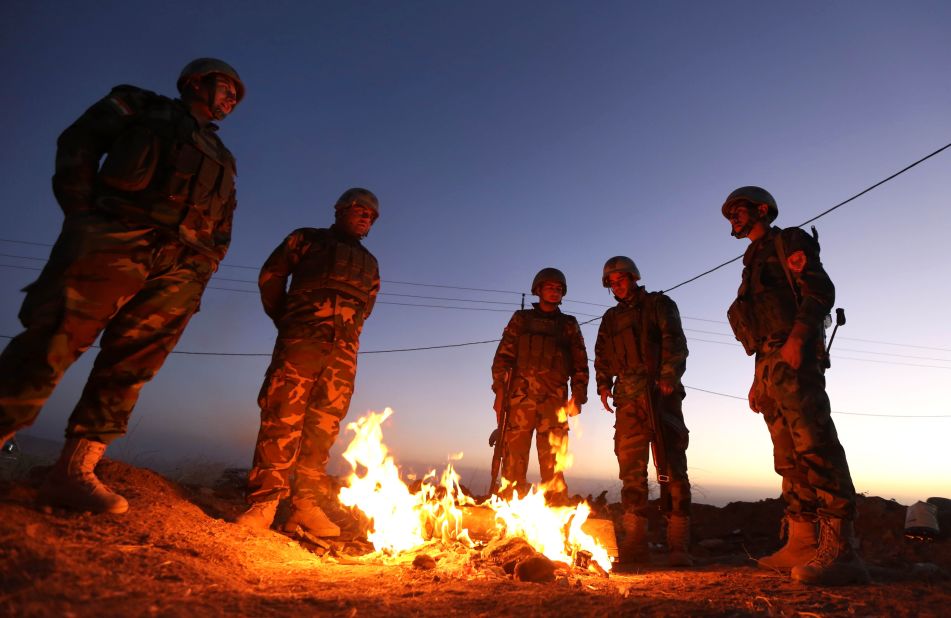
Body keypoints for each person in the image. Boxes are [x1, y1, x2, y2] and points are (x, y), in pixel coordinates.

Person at [0, 58, 243, 514]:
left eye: (235, 96)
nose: (232, 100)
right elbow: (78, 141)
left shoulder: (224, 157)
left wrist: (207, 263)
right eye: (226, 88)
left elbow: (225, 220)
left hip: (182, 268)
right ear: (195, 82)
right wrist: (84, 215)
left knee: (131, 367)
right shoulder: (140, 105)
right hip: (119, 237)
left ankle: (74, 472)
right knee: (54, 338)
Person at [723, 186, 868, 585]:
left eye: (739, 210)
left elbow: (820, 290)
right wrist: (757, 377)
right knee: (787, 454)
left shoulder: (789, 240)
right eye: (730, 214)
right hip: (769, 361)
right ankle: (803, 540)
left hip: (794, 353)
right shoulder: (751, 260)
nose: (733, 218)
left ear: (763, 209)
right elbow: (756, 324)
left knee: (814, 443)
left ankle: (841, 551)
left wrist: (799, 339)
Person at [237, 188, 380, 538]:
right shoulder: (306, 239)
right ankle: (264, 503)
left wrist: (345, 340)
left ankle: (304, 507)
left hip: (342, 356)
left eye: (370, 215)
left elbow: (367, 308)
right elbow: (270, 277)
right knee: (282, 416)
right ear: (340, 210)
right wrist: (288, 321)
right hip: (301, 344)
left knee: (323, 430)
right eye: (358, 209)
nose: (364, 216)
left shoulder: (370, 264)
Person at [594, 256, 692, 566]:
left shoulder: (659, 304)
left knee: (672, 466)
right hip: (628, 400)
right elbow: (602, 356)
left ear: (633, 277)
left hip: (660, 394)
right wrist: (603, 385)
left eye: (622, 277)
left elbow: (675, 342)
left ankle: (678, 545)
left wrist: (667, 376)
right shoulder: (610, 318)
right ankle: (636, 544)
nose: (617, 283)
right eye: (612, 280)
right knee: (631, 473)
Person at [490, 268, 588, 505]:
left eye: (558, 289)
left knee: (553, 464)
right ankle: (511, 513)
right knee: (513, 462)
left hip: (554, 403)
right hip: (520, 400)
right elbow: (503, 358)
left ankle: (556, 515)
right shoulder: (521, 319)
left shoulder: (568, 324)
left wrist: (578, 396)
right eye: (549, 287)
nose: (554, 292)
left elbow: (580, 363)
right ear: (538, 290)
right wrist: (499, 392)